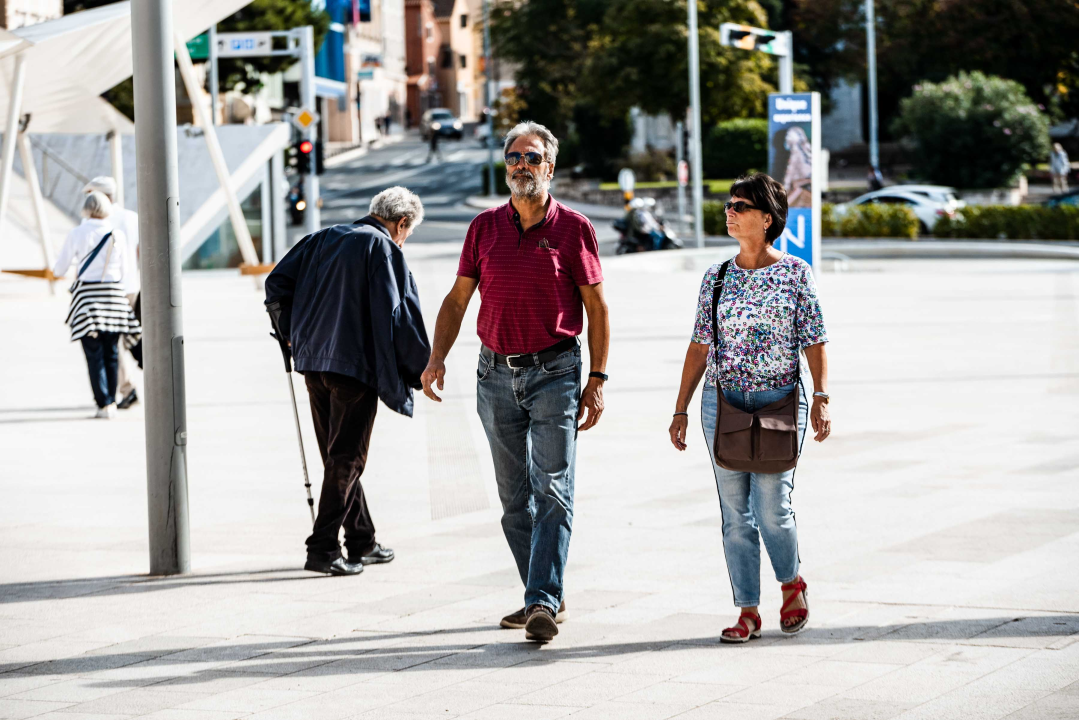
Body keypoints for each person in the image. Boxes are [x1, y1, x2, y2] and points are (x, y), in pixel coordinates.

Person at [420, 121, 609, 643]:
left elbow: (596, 307)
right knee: (512, 498)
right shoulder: (483, 227)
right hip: (493, 374)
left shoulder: (574, 228)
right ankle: (544, 592)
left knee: (552, 486)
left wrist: (596, 378)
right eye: (514, 158)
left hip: (556, 373)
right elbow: (459, 299)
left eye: (532, 158)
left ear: (550, 167)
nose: (522, 166)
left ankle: (541, 601)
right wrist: (436, 357)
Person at [668, 173, 831, 643]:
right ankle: (747, 610)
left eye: (741, 205)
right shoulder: (716, 277)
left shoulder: (796, 274)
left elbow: (815, 341)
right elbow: (699, 347)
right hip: (723, 404)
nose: (730, 211)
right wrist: (680, 409)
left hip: (781, 401)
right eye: (729, 204)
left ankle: (791, 584)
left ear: (767, 217)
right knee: (734, 514)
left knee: (772, 506)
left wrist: (821, 396)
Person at [265, 187, 431, 576]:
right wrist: (420, 368)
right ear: (401, 223)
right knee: (348, 458)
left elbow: (277, 285)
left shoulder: (322, 237)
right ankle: (322, 548)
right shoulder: (385, 249)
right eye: (407, 231)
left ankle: (362, 540)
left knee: (336, 455)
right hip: (354, 367)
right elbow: (401, 315)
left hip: (312, 362)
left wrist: (292, 334)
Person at [53, 191, 141, 419]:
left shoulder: (77, 233)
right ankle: (112, 400)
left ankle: (103, 404)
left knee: (94, 355)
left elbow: (60, 268)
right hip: (113, 298)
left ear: (86, 209)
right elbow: (123, 271)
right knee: (112, 352)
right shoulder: (116, 235)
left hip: (87, 301)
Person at [83, 176, 141, 410]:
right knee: (124, 339)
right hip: (132, 287)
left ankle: (127, 389)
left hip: (108, 289)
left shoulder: (95, 220)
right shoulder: (132, 217)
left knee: (112, 342)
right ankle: (127, 387)